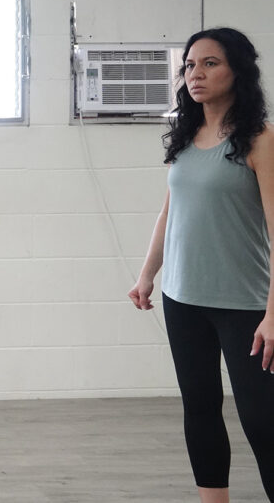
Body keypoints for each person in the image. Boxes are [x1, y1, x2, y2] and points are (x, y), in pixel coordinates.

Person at [130, 27, 274, 503]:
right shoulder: (186, 136)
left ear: (238, 71)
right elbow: (170, 211)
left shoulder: (260, 141)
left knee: (262, 417)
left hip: (245, 306)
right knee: (200, 408)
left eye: (210, 63)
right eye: (190, 65)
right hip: (183, 300)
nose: (197, 73)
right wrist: (148, 274)